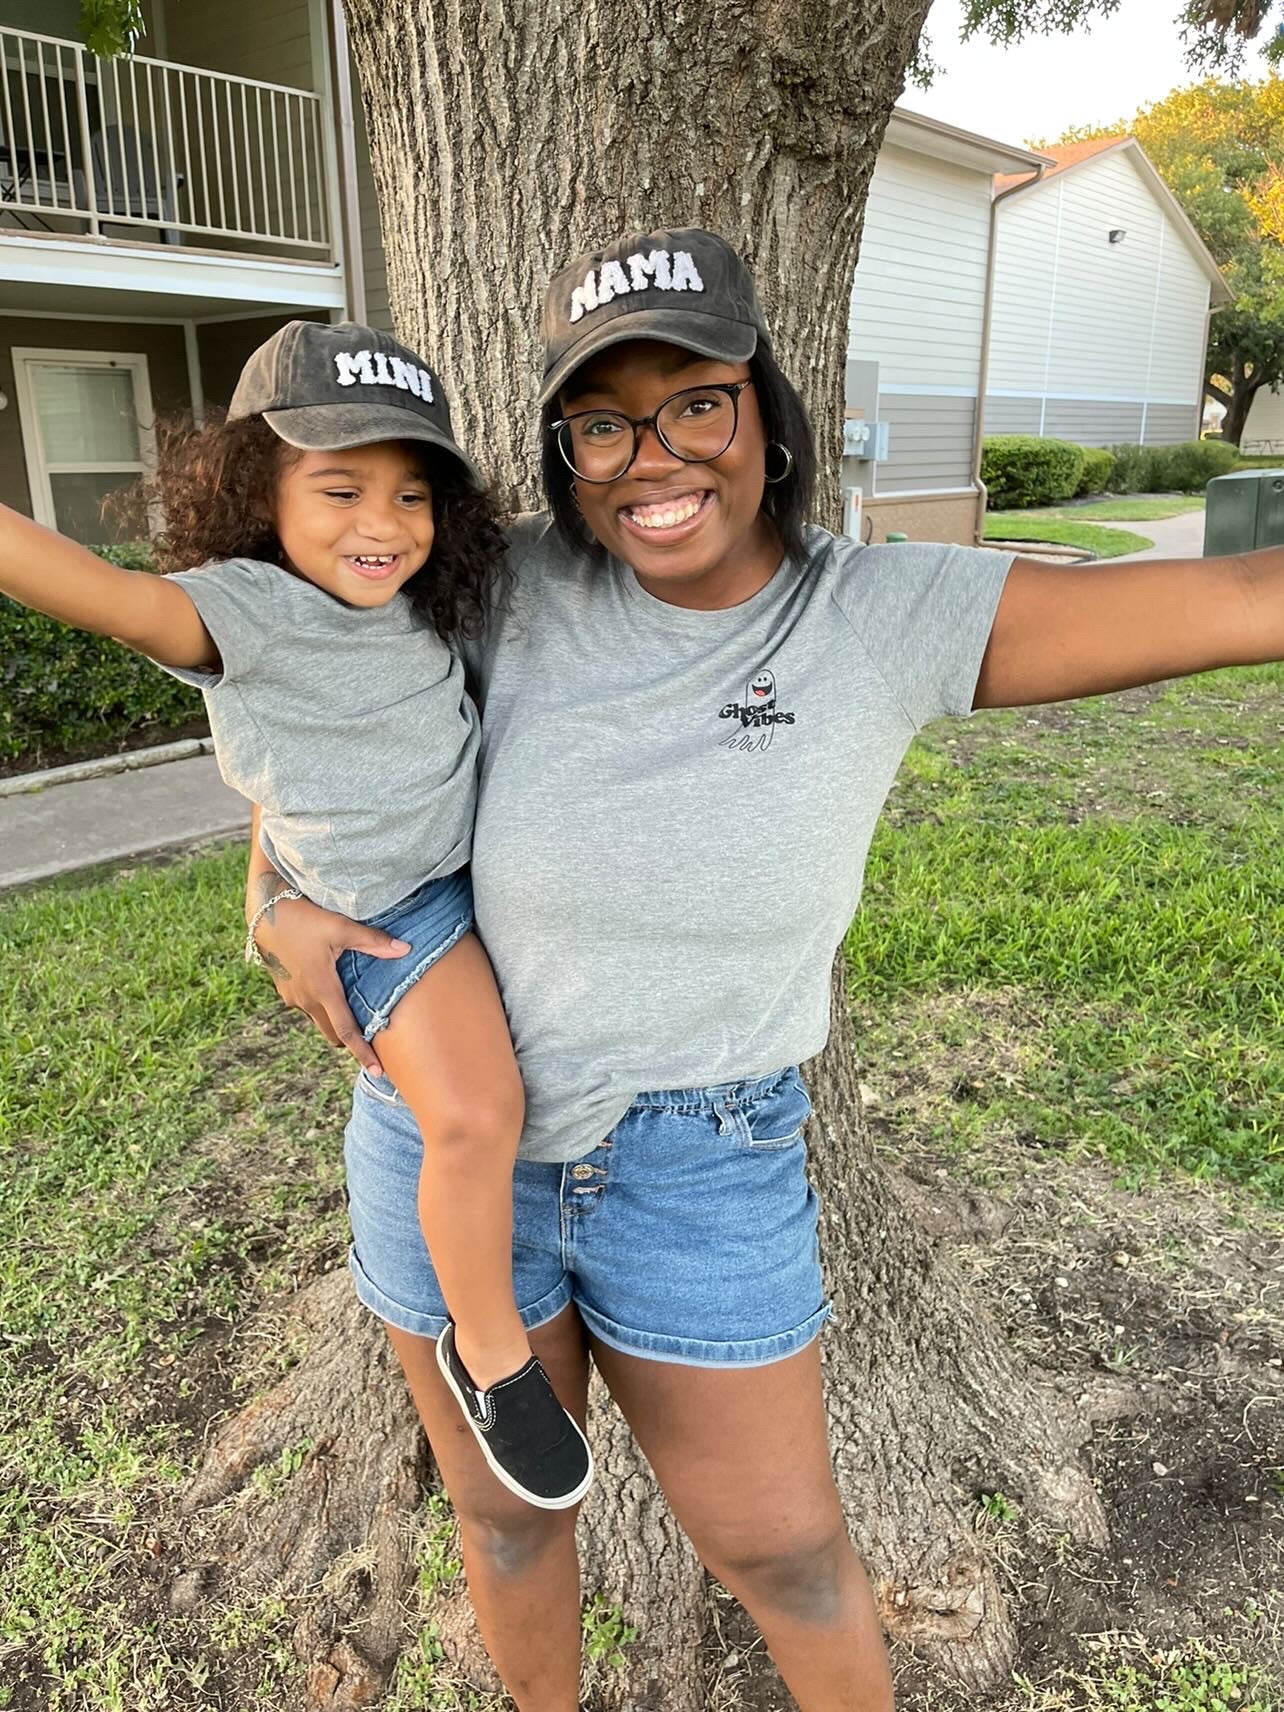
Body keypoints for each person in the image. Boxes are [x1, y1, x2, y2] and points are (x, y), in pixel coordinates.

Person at [247, 228, 1284, 1712]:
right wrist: (274, 899)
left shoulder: (880, 614)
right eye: (603, 421)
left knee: (790, 1554)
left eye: (697, 403)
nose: (652, 456)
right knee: (508, 1517)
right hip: (448, 1145)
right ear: (564, 449)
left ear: (765, 413)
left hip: (703, 1161)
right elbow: (298, 699)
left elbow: (1245, 602)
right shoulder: (502, 586)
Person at [0, 319, 592, 1513]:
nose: (383, 523)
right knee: (478, 1113)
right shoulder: (248, 610)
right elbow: (108, 597)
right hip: (391, 920)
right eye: (339, 488)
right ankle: (489, 1353)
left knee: (490, 1104)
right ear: (255, 490)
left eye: (411, 493)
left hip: (465, 891)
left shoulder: (414, 599)